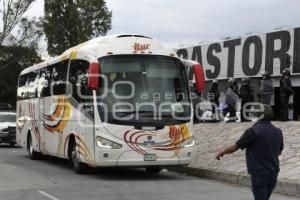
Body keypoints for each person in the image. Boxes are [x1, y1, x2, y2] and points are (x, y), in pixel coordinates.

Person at [216, 105, 283, 200]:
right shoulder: (278, 131)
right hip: (273, 172)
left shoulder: (253, 131)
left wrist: (222, 152)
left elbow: (236, 146)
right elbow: (279, 151)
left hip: (259, 173)